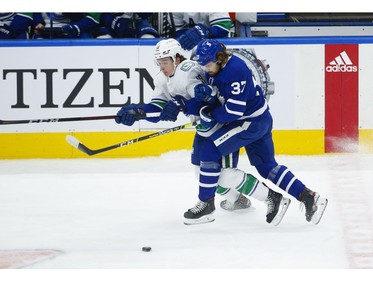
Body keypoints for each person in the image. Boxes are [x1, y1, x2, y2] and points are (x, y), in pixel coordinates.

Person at [115, 38, 289, 226]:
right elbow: (158, 106)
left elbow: (204, 95)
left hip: (221, 127)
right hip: (204, 129)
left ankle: (268, 197)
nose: (162, 67)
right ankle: (238, 200)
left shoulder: (188, 69)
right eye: (159, 63)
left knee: (225, 174)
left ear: (176, 58)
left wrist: (181, 103)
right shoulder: (162, 79)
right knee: (202, 173)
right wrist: (139, 112)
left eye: (165, 62)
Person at [188, 39, 328, 225]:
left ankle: (206, 204)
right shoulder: (220, 67)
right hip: (260, 119)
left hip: (249, 123)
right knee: (267, 167)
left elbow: (233, 111)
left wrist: (210, 115)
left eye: (208, 64)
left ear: (220, 58)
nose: (206, 69)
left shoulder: (235, 70)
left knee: (208, 150)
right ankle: (308, 197)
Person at [32, 13, 100, 39]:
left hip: (72, 30)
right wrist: (39, 23)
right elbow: (36, 13)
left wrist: (73, 27)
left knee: (85, 41)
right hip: (46, 31)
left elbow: (92, 19)